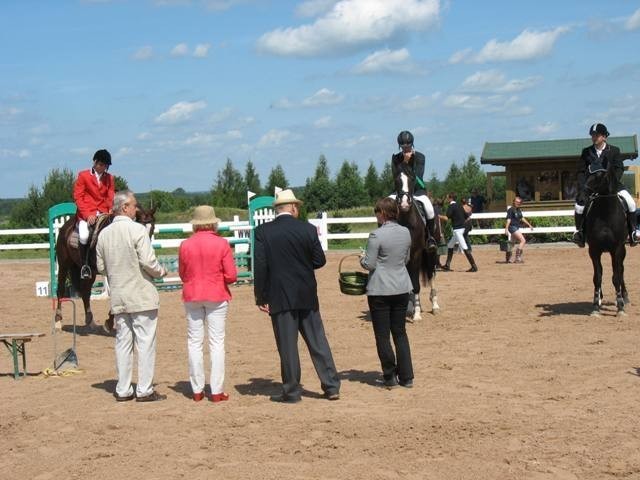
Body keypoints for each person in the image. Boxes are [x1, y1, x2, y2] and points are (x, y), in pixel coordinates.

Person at [253, 189, 340, 403]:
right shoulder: (308, 229)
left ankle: (291, 391)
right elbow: (320, 261)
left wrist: (261, 296)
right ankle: (331, 386)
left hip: (279, 295)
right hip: (306, 293)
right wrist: (301, 265)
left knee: (287, 345)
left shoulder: (263, 231)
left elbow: (261, 266)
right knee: (318, 340)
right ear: (292, 207)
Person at [96, 190, 167, 402]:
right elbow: (148, 261)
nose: (137, 209)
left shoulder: (103, 234)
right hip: (141, 294)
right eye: (134, 206)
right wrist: (161, 271)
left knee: (123, 343)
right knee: (145, 342)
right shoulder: (137, 230)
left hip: (119, 296)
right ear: (125, 207)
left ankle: (123, 389)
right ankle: (144, 389)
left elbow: (100, 267)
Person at [178, 205, 238, 403]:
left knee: (194, 342)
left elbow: (182, 274)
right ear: (213, 222)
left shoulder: (185, 245)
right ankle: (217, 390)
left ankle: (197, 390)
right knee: (216, 342)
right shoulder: (222, 244)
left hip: (192, 294)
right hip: (217, 295)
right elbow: (231, 276)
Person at [360, 197, 414, 389]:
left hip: (380, 290)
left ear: (382, 214)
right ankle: (407, 377)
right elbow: (406, 259)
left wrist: (362, 259)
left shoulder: (376, 235)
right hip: (401, 287)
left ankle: (390, 376)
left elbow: (370, 264)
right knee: (400, 332)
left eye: (377, 213)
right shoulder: (406, 232)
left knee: (382, 335)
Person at [574, 123, 638, 247]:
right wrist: (583, 187)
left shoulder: (614, 150)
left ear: (604, 137)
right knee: (579, 206)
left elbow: (619, 168)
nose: (594, 137)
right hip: (592, 187)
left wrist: (612, 183)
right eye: (592, 135)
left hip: (612, 186)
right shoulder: (586, 152)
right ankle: (579, 233)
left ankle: (633, 232)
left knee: (631, 203)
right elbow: (581, 172)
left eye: (596, 135)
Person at [391, 130, 438, 252]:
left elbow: (416, 176)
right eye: (403, 147)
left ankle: (430, 237)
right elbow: (396, 175)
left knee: (429, 208)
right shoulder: (396, 158)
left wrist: (406, 163)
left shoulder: (420, 157)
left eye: (408, 146)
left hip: (417, 190)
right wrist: (404, 161)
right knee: (384, 206)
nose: (405, 149)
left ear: (412, 145)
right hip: (400, 191)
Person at [73, 149, 115, 279]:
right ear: (95, 162)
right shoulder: (83, 176)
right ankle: (85, 266)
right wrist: (87, 215)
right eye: (101, 165)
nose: (103, 168)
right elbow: (78, 197)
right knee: (84, 236)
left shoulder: (110, 178)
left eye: (105, 166)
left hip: (104, 213)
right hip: (87, 213)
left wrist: (110, 210)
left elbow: (110, 196)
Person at [439, 193, 478, 272]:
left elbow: (446, 218)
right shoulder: (459, 206)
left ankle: (474, 266)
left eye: (447, 198)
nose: (446, 199)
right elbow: (467, 217)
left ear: (450, 198)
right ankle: (447, 265)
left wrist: (438, 216)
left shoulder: (451, 206)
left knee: (464, 247)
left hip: (458, 230)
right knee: (450, 245)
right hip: (460, 229)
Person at [505, 196, 533, 263]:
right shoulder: (510, 210)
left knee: (512, 243)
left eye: (519, 202)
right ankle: (517, 258)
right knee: (523, 240)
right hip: (512, 227)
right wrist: (506, 229)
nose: (518, 203)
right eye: (516, 202)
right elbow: (508, 220)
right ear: (513, 202)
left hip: (516, 227)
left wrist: (529, 225)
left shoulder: (518, 210)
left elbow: (522, 218)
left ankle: (508, 258)